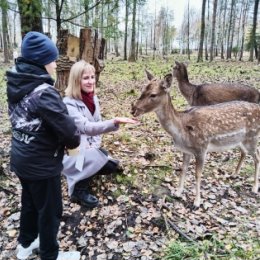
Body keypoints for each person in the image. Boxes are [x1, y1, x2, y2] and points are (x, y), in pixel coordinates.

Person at [6, 31, 81, 260]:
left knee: (29, 202)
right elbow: (68, 130)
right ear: (42, 61)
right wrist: (74, 144)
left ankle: (26, 244)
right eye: (52, 59)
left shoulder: (15, 81)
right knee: (50, 211)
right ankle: (50, 254)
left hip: (21, 158)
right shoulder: (44, 93)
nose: (55, 63)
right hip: (42, 164)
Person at [62, 60, 138, 208]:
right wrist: (114, 121)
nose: (91, 81)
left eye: (92, 77)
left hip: (90, 145)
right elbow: (86, 127)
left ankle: (89, 165)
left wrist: (94, 147)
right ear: (76, 80)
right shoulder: (69, 103)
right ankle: (78, 191)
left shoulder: (93, 98)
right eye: (86, 78)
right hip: (73, 148)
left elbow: (97, 126)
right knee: (87, 158)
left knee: (109, 166)